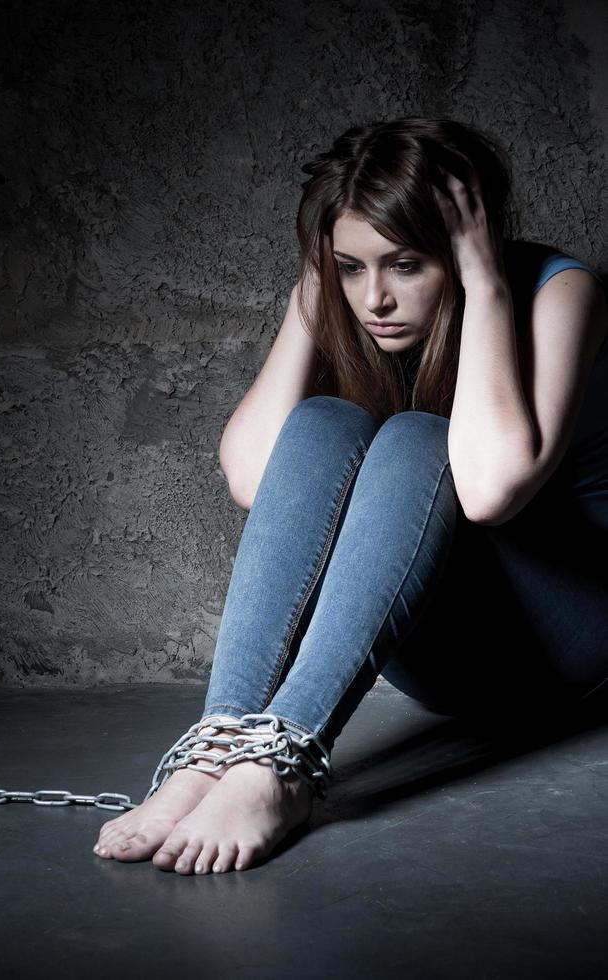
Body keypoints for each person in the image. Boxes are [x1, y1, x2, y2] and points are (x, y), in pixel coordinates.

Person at [92, 116, 608, 875]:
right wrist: (313, 283)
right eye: (351, 267)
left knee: (411, 438)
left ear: (463, 247)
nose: (377, 300)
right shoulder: (351, 299)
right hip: (427, 637)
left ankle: (283, 765)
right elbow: (251, 475)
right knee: (325, 418)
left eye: (405, 265)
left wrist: (485, 281)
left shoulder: (560, 292)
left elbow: (494, 489)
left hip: (560, 633)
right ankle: (219, 745)